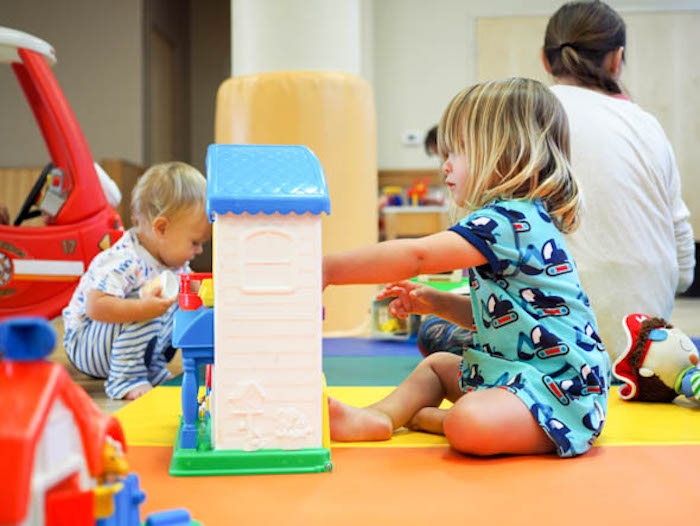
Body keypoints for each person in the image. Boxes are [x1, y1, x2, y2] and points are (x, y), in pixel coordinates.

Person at [324, 78, 609, 457]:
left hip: (564, 392)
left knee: (468, 422)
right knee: (439, 365)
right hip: (517, 375)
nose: (445, 165)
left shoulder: (509, 221)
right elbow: (500, 319)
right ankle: (379, 416)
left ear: (503, 152)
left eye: (457, 151)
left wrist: (328, 269)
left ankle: (432, 419)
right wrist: (438, 303)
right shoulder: (513, 219)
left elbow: (417, 256)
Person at [420, 0, 695, 363]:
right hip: (647, 341)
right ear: (616, 59)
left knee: (432, 330)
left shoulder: (526, 116)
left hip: (556, 344)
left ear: (546, 60)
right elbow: (683, 262)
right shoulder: (647, 124)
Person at [62, 161, 211, 400]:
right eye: (194, 242)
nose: (200, 251)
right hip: (86, 346)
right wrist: (142, 308)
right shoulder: (124, 259)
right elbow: (96, 306)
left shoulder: (176, 264)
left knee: (178, 304)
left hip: (118, 346)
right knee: (146, 304)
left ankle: (147, 370)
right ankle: (126, 380)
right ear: (161, 228)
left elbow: (196, 290)